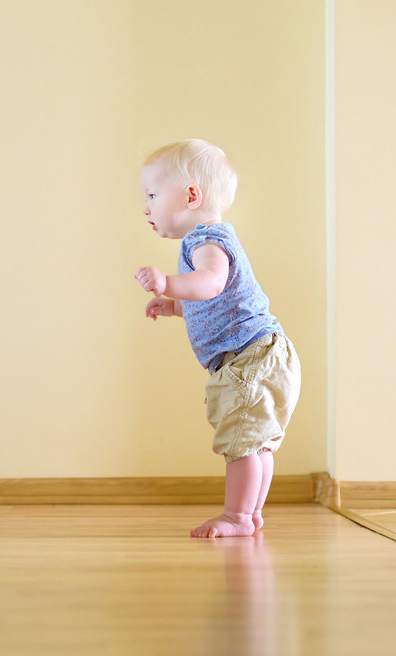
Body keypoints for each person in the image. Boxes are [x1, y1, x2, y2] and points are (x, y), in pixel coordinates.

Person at [133, 139, 301, 538]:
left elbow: (211, 283)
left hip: (248, 357)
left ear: (192, 195)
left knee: (241, 441)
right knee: (256, 442)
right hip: (263, 352)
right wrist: (175, 305)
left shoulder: (205, 241)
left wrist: (168, 283)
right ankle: (251, 512)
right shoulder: (213, 239)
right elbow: (214, 298)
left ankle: (238, 517)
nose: (146, 207)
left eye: (153, 195)